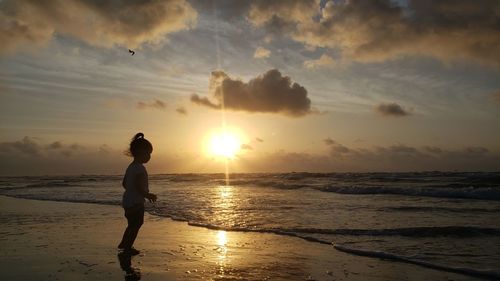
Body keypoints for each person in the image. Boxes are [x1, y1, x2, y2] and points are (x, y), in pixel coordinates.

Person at [118, 132, 157, 255]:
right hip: (136, 202)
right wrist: (148, 195)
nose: (149, 156)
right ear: (141, 152)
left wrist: (131, 191)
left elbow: (124, 183)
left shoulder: (131, 167)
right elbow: (139, 186)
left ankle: (124, 243)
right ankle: (128, 247)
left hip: (128, 200)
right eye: (148, 153)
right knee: (137, 224)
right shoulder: (140, 168)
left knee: (131, 224)